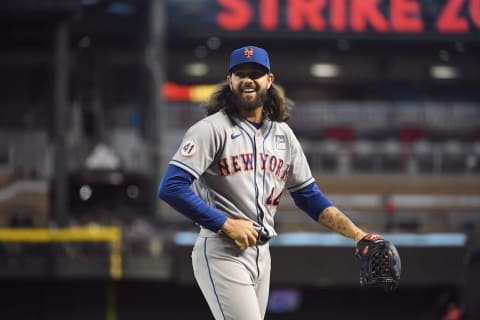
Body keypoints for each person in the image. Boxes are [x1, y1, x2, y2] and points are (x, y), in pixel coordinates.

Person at [158, 45, 371, 320]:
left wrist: (357, 234)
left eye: (256, 73)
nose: (248, 79)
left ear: (269, 80)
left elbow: (309, 196)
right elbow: (171, 187)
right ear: (230, 81)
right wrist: (225, 223)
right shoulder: (211, 129)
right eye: (240, 73)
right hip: (222, 249)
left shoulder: (283, 135)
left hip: (262, 253)